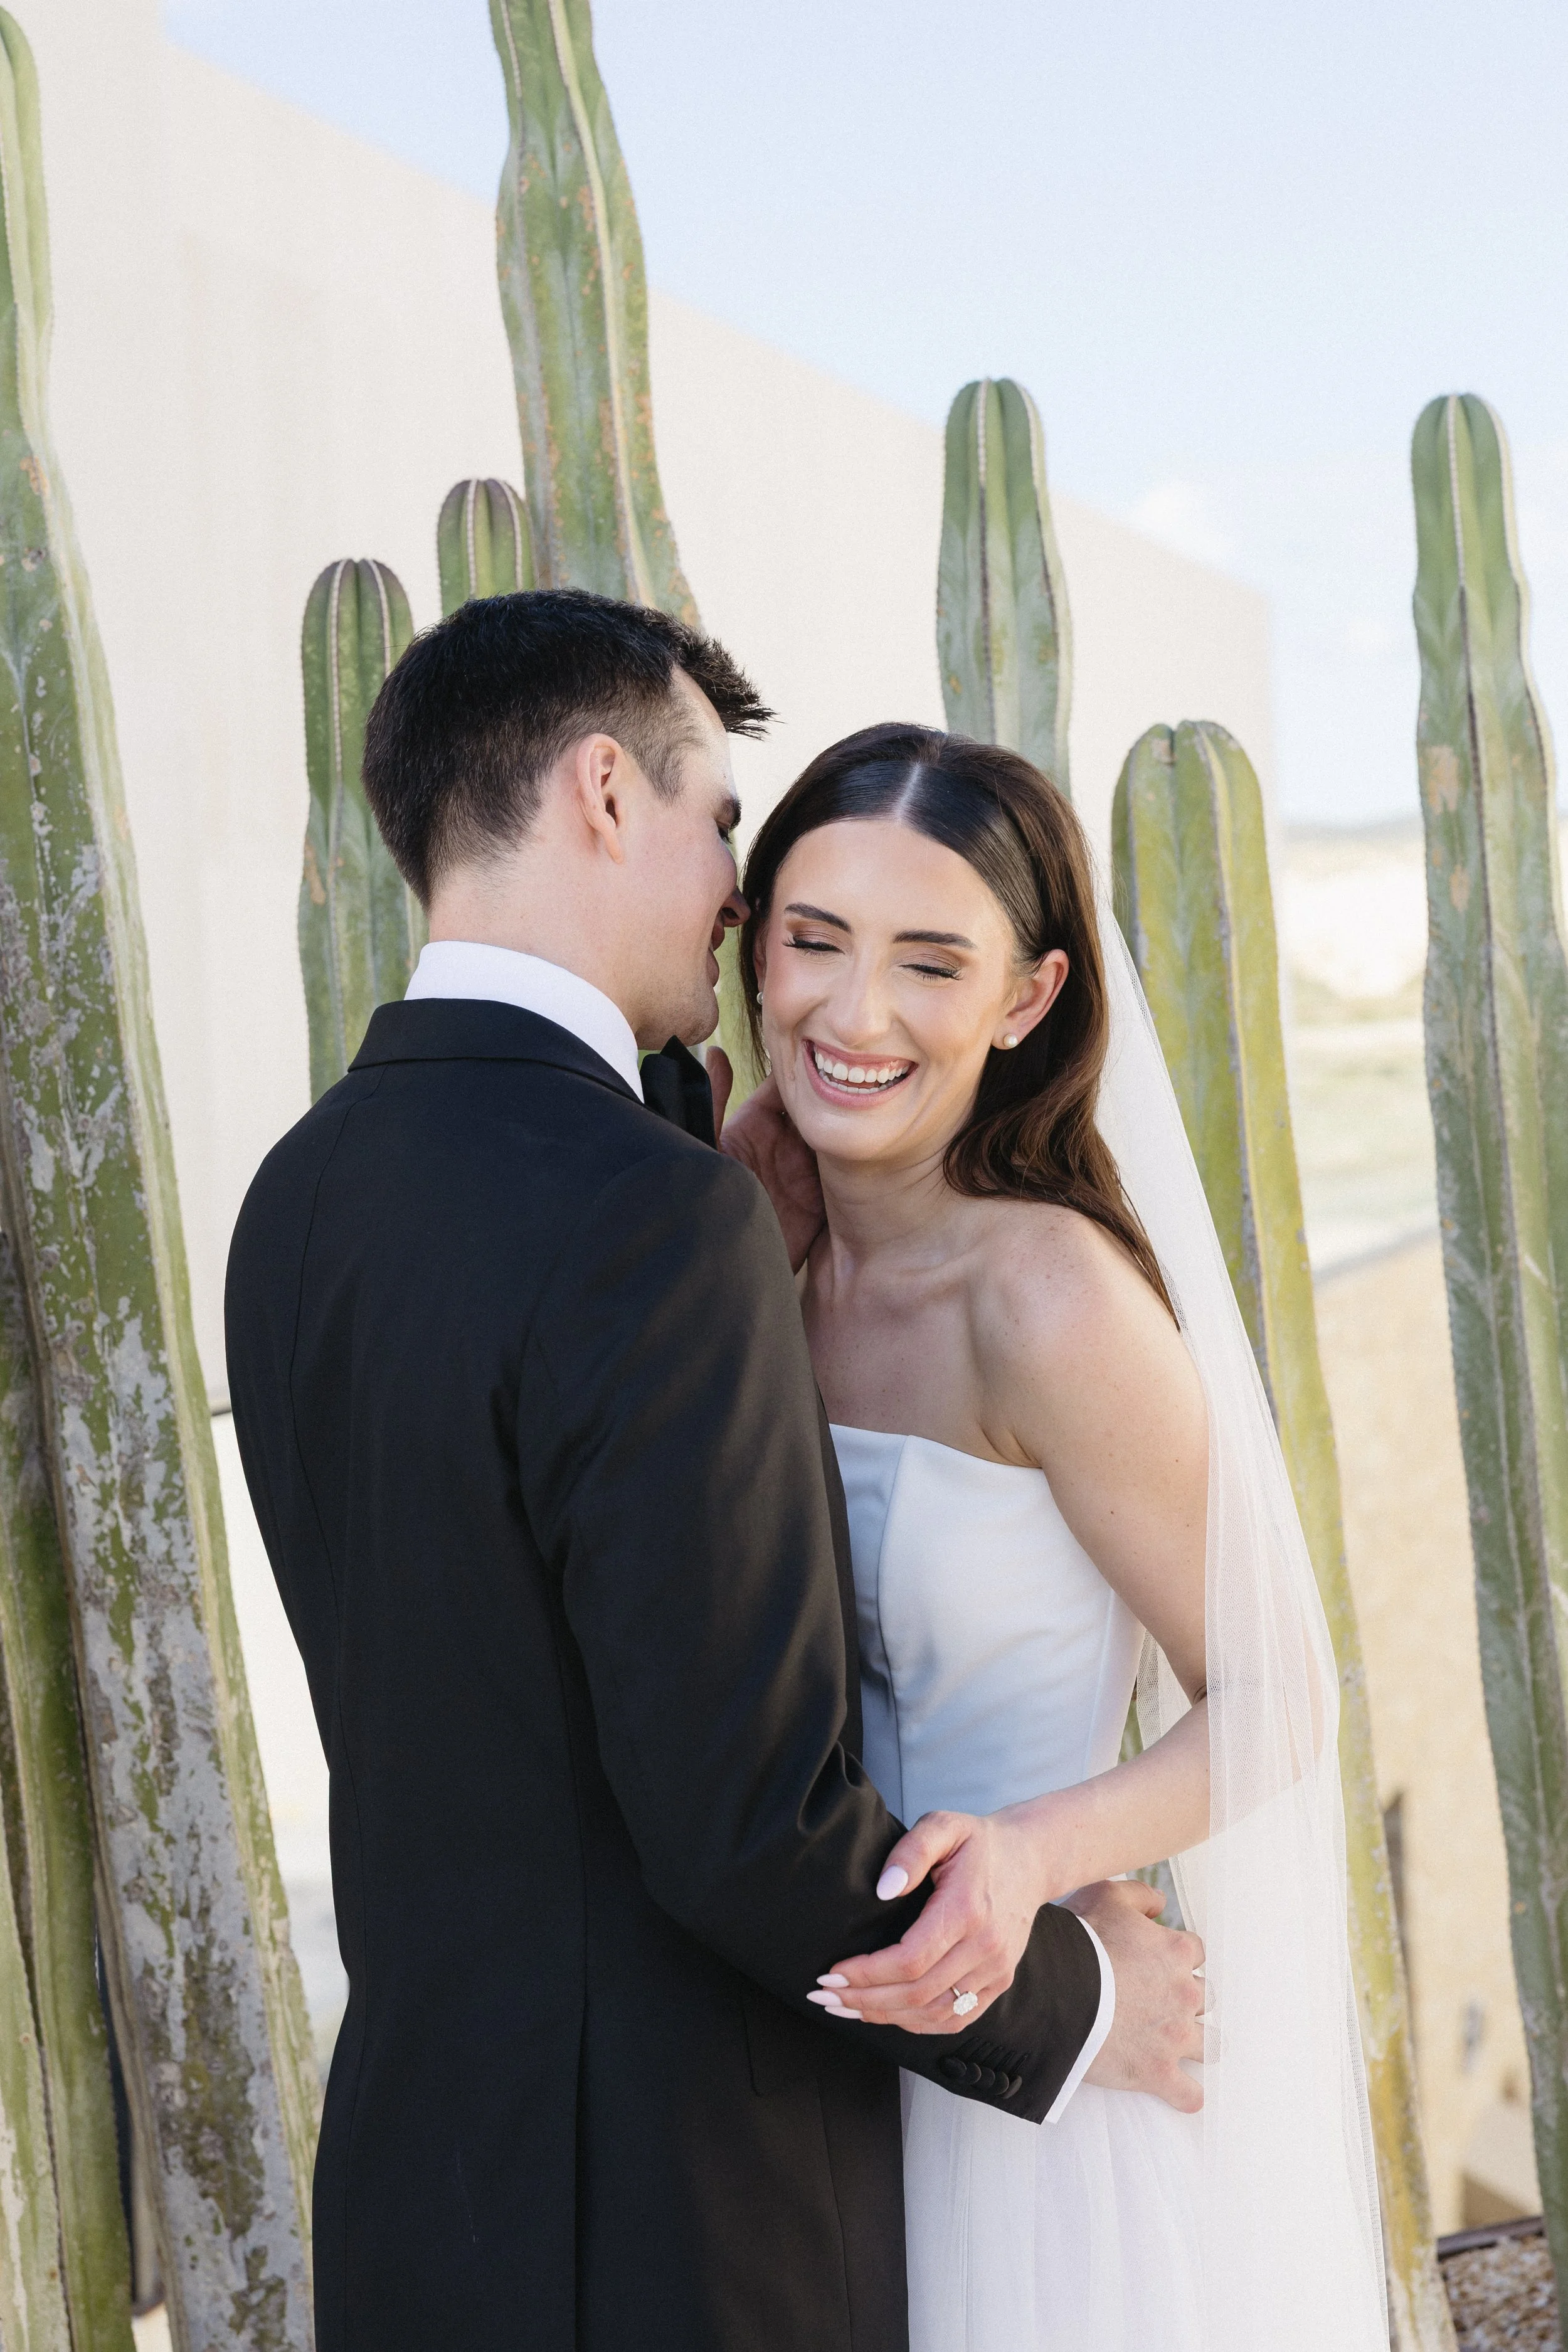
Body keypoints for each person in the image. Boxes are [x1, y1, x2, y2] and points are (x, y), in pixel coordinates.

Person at [224, 592, 1205, 2352]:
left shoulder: (300, 1192)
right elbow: (744, 1823)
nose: (734, 897)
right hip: (683, 2218)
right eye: (720, 826)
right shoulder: (658, 1218)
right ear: (607, 792)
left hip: (422, 2187)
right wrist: (1074, 2000)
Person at [724, 723, 1389, 2351]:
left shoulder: (1047, 1300)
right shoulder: (744, 1256)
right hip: (797, 2082)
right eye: (814, 941)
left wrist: (1032, 1859)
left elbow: (1277, 1696)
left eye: (929, 963)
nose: (853, 1013)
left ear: (1026, 1001)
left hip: (1034, 2098)